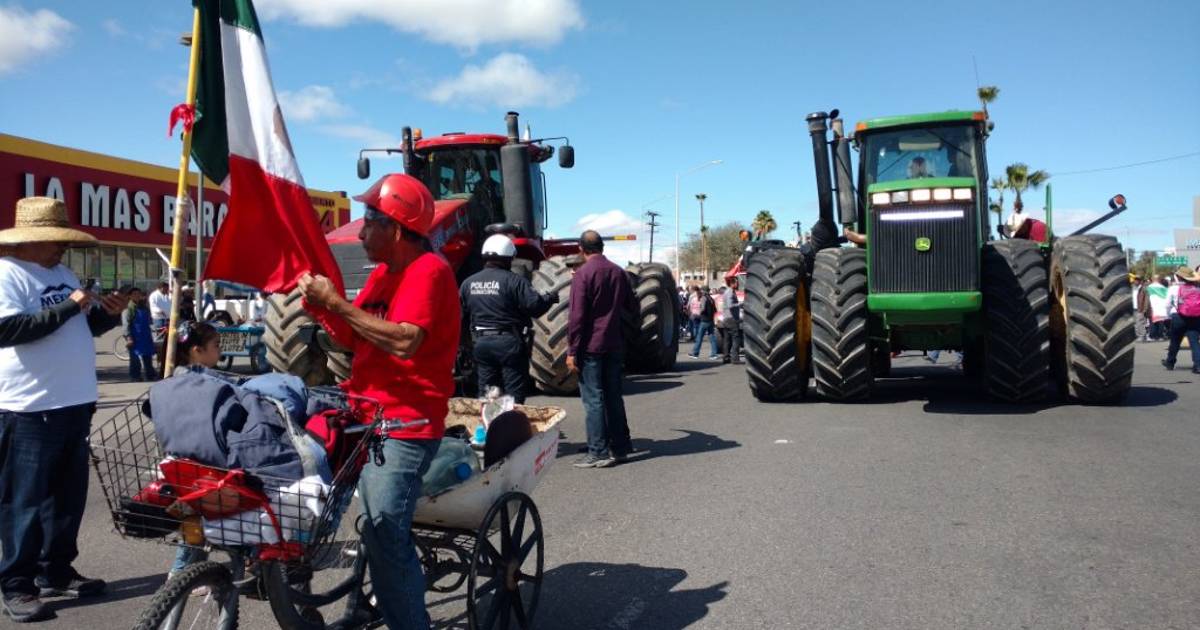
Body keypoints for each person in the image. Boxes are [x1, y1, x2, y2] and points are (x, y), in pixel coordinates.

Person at [299, 173, 458, 630]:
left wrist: (337, 303)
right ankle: (358, 605)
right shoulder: (384, 274)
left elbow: (405, 341)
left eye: (370, 220)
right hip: (366, 415)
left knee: (385, 530)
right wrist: (320, 306)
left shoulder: (429, 271)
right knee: (346, 517)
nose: (362, 231)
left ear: (397, 229)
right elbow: (354, 338)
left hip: (406, 425)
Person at [0, 197, 128, 623]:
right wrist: (69, 305)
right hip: (28, 408)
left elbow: (78, 328)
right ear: (31, 239)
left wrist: (107, 316)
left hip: (74, 403)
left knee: (66, 500)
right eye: (58, 240)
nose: (64, 247)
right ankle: (17, 585)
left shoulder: (63, 274)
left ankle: (55, 571)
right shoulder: (7, 273)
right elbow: (8, 329)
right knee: (23, 502)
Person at [460, 234, 557, 403]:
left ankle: (489, 419)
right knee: (513, 396)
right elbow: (535, 307)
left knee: (488, 395)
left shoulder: (468, 283)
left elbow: (460, 314)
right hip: (508, 344)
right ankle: (510, 419)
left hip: (481, 344)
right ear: (508, 258)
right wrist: (550, 298)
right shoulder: (515, 281)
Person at [567, 230, 634, 469]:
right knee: (613, 396)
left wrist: (572, 351)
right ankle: (621, 448)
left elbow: (577, 317)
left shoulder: (582, 274)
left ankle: (598, 451)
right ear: (602, 247)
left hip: (590, 346)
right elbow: (632, 307)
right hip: (613, 343)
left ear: (581, 249)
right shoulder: (619, 272)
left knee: (593, 399)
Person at [163, 321, 222, 589]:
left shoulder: (183, 377)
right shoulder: (196, 380)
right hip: (192, 461)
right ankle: (180, 574)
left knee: (199, 520)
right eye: (215, 346)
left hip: (186, 459)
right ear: (197, 351)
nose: (219, 351)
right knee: (195, 522)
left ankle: (192, 572)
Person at [1162, 266, 1200, 374]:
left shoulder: (1174, 288)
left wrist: (1167, 317)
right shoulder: (1197, 288)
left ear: (1179, 277)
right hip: (1195, 317)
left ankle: (1170, 362)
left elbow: (1167, 305)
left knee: (1175, 341)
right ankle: (1198, 365)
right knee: (1194, 342)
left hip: (1178, 317)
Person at [121, 286, 157, 382]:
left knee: (148, 356)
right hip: (134, 337)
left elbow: (149, 322)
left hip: (145, 336)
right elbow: (125, 324)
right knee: (135, 358)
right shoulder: (128, 309)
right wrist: (128, 337)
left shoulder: (144, 307)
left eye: (138, 294)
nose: (137, 296)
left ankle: (150, 375)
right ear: (129, 296)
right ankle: (135, 376)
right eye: (134, 294)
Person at [687, 287, 719, 360]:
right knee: (712, 338)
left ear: (703, 291)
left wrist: (698, 314)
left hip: (704, 320)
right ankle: (714, 354)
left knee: (699, 337)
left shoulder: (704, 298)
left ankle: (695, 353)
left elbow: (703, 309)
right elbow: (715, 309)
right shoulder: (711, 298)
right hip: (710, 320)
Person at [721, 278, 743, 364]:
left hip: (726, 318)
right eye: (737, 283)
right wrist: (740, 304)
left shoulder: (728, 291)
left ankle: (726, 357)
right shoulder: (730, 292)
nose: (738, 284)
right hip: (731, 319)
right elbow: (730, 305)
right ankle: (735, 358)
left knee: (727, 339)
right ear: (732, 284)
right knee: (736, 338)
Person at [1146, 276, 1170, 340]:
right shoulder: (1163, 288)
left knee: (1153, 322)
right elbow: (1167, 297)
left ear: (1152, 279)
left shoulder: (1149, 287)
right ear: (1159, 280)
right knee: (1160, 322)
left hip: (1153, 307)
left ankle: (1153, 336)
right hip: (1162, 308)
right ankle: (1160, 336)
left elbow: (1146, 298)